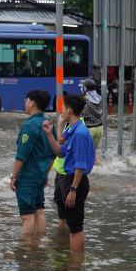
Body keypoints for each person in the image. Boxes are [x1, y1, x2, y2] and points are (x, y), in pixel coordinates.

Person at [43, 94, 96, 253]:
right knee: (72, 226)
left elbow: (80, 165)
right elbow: (60, 152)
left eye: (63, 107)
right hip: (70, 180)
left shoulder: (79, 133)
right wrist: (48, 134)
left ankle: (76, 267)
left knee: (75, 228)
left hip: (75, 181)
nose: (61, 111)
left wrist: (73, 190)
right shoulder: (72, 129)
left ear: (69, 110)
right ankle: (73, 263)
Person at [10, 90, 53, 237]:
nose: (25, 103)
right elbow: (53, 154)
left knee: (27, 216)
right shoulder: (47, 123)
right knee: (39, 211)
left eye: (26, 100)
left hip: (28, 177)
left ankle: (29, 250)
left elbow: (21, 155)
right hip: (41, 175)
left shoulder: (29, 126)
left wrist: (13, 176)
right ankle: (38, 245)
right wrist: (45, 175)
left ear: (33, 102)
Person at [80, 78, 104, 148]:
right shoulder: (99, 98)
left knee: (84, 153)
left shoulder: (84, 99)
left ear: (85, 88)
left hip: (89, 129)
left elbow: (82, 114)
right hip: (99, 128)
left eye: (83, 87)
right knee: (93, 153)